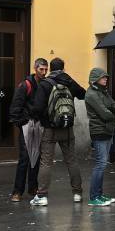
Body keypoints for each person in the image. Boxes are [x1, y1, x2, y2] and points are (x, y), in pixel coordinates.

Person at [30, 58, 86, 206]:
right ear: (63, 68)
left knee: (46, 162)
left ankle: (42, 196)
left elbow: (37, 108)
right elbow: (83, 94)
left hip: (50, 128)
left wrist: (43, 119)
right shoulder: (69, 82)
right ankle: (77, 194)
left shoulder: (45, 84)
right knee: (71, 160)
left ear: (50, 69)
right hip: (67, 128)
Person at [8, 58, 48, 202]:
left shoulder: (45, 84)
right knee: (25, 158)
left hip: (39, 124)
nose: (43, 72)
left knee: (36, 157)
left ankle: (32, 187)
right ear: (35, 68)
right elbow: (15, 106)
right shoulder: (25, 85)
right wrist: (21, 122)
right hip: (27, 124)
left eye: (45, 69)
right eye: (41, 69)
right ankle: (17, 191)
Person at [85, 68, 115, 206]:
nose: (106, 79)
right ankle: (94, 197)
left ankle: (99, 194)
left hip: (107, 130)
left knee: (103, 163)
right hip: (99, 131)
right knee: (100, 163)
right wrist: (111, 112)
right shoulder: (92, 94)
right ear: (95, 79)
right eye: (103, 77)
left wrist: (111, 111)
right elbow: (106, 114)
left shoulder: (103, 92)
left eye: (106, 77)